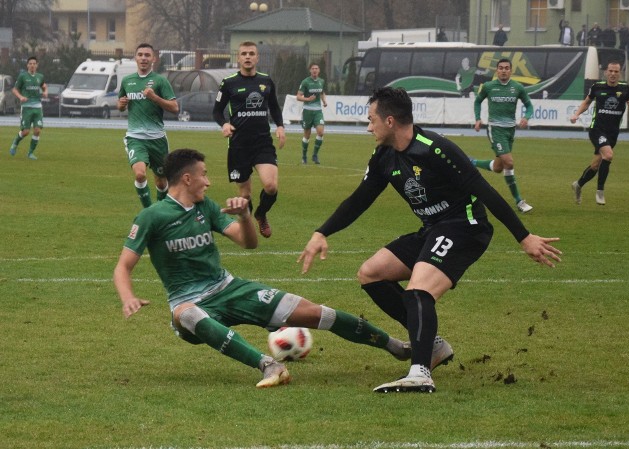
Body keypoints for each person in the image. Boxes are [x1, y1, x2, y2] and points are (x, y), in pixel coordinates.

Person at [298, 87, 561, 394]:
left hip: (465, 227)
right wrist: (322, 232)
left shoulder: (435, 148)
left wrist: (524, 237)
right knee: (371, 273)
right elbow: (360, 200)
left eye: (372, 120)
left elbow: (484, 190)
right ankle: (432, 345)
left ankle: (420, 372)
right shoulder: (384, 156)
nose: (369, 127)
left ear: (391, 121)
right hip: (433, 228)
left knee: (419, 291)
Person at [113, 148, 424, 389]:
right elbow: (123, 267)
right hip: (188, 302)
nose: (209, 181)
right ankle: (268, 365)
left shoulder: (204, 207)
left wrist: (246, 216)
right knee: (189, 314)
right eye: (205, 175)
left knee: (317, 313)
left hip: (229, 288)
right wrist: (128, 296)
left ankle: (395, 346)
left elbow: (248, 243)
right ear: (187, 178)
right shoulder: (152, 217)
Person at [213, 41, 285, 239]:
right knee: (244, 196)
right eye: (244, 53)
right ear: (238, 57)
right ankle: (249, 225)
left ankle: (261, 214)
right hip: (239, 145)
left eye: (251, 53)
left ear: (257, 57)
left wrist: (280, 126)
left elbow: (275, 108)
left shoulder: (266, 81)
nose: (247, 56)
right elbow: (217, 111)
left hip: (262, 143)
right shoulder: (229, 83)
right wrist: (224, 125)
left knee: (271, 186)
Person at [118, 43, 178, 208]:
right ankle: (148, 212)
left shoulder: (160, 81)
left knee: (161, 181)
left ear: (154, 59)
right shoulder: (127, 81)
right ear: (135, 58)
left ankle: (160, 210)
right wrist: (122, 105)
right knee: (139, 174)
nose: (143, 58)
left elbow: (175, 108)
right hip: (135, 137)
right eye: (140, 55)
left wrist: (155, 98)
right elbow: (121, 104)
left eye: (147, 55)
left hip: (157, 139)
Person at [470, 58, 534, 213]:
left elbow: (529, 105)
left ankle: (470, 162)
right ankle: (519, 201)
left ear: (511, 71)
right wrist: (478, 118)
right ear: (496, 71)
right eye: (500, 68)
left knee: (499, 167)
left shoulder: (517, 87)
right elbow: (477, 101)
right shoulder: (489, 87)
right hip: (495, 129)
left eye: (506, 68)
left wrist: (526, 117)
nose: (503, 70)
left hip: (510, 130)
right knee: (509, 162)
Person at [570, 61, 629, 206]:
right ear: (606, 72)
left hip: (613, 133)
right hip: (597, 129)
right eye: (611, 71)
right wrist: (576, 114)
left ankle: (578, 184)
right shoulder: (597, 86)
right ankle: (600, 191)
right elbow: (587, 102)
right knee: (608, 155)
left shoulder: (625, 89)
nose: (613, 74)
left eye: (616, 71)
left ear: (620, 73)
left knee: (595, 166)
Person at [8, 56, 47, 160]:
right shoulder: (23, 76)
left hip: (38, 107)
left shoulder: (40, 76)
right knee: (26, 132)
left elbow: (44, 86)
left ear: (37, 65)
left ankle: (30, 153)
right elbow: (14, 90)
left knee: (37, 131)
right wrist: (21, 97)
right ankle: (15, 143)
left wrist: (45, 92)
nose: (32, 65)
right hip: (26, 108)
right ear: (27, 65)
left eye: (34, 63)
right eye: (30, 63)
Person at [296, 62, 327, 165]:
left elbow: (322, 92)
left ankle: (315, 155)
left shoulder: (321, 81)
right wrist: (307, 98)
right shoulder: (305, 82)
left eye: (316, 68)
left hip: (318, 111)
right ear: (310, 70)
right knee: (307, 135)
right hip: (307, 111)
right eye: (313, 68)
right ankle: (304, 156)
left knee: (321, 132)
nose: (315, 70)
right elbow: (298, 96)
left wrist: (324, 101)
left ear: (319, 70)